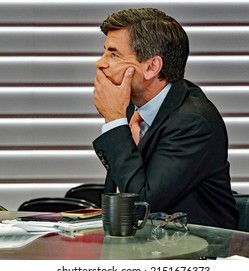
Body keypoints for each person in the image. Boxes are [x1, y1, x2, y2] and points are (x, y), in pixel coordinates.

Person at [93, 8, 239, 229]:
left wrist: (114, 120)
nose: (100, 63)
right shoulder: (134, 107)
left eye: (113, 54)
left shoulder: (193, 121)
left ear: (152, 66)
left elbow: (142, 204)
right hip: (146, 246)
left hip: (197, 251)